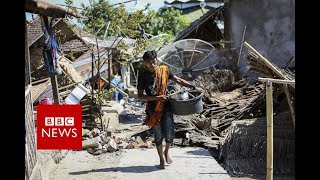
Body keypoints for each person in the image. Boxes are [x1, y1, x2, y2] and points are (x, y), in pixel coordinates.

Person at [137, 50, 204, 169]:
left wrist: (194, 87)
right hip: (153, 110)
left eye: (154, 61)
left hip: (167, 107)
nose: (152, 64)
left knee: (169, 134)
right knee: (158, 136)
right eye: (149, 62)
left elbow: (178, 80)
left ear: (156, 59)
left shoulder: (164, 70)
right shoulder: (143, 75)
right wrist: (156, 97)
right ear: (145, 63)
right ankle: (161, 160)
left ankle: (166, 151)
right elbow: (141, 96)